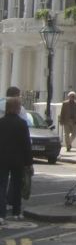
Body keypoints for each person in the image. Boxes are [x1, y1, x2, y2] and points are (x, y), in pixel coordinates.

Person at [0, 97, 34, 226]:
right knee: (17, 186)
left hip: (2, 159)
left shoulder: (1, 122)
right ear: (17, 109)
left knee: (2, 186)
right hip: (18, 160)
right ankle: (16, 212)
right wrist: (29, 163)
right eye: (19, 107)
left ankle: (1, 215)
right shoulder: (22, 124)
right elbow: (26, 145)